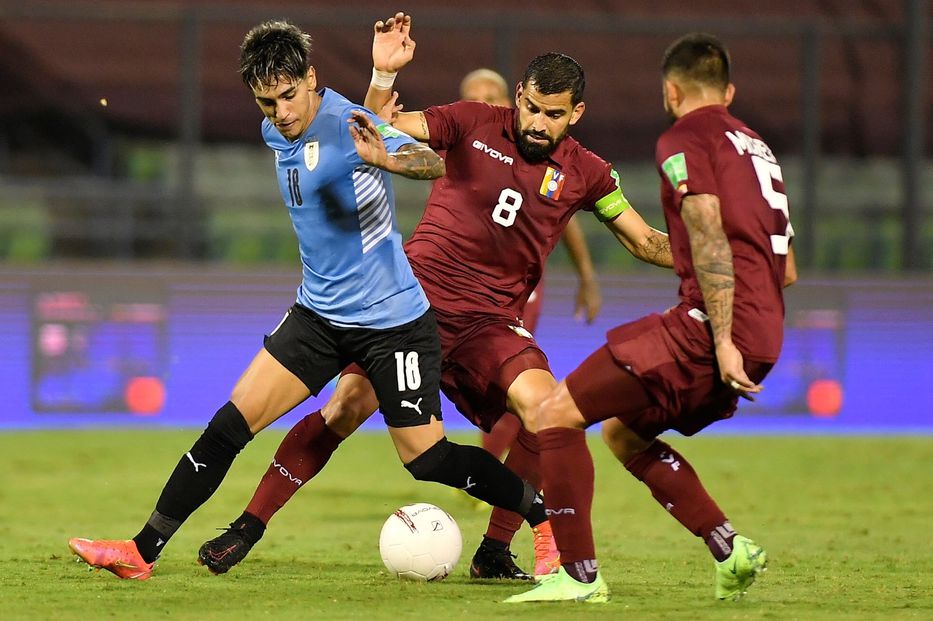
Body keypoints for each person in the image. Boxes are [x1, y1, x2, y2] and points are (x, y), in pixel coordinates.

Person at [67, 19, 556, 580]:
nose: (281, 113)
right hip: (318, 315)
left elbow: (431, 162)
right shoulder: (276, 130)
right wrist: (376, 82)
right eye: (267, 101)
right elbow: (317, 139)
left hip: (394, 323)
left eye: (290, 96)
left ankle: (539, 517)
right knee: (229, 425)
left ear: (313, 79)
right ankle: (141, 550)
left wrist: (391, 159)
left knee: (428, 459)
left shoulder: (349, 123)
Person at [195, 13, 672, 582]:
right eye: (531, 108)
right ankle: (247, 526)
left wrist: (718, 252)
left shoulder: (590, 174)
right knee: (345, 408)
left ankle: (497, 550)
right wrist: (384, 77)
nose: (538, 123)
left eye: (553, 115)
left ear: (577, 114)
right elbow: (382, 127)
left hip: (490, 325)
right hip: (408, 306)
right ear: (519, 96)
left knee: (548, 412)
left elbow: (645, 241)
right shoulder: (469, 120)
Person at [505, 33, 798, 603]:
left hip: (713, 330)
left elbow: (708, 235)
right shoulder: (758, 147)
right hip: (765, 332)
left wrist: (722, 337)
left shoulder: (685, 137)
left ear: (670, 90)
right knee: (623, 433)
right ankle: (729, 548)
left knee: (554, 413)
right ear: (728, 91)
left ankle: (578, 575)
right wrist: (743, 334)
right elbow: (783, 266)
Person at [457, 67, 602, 464]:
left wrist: (586, 277)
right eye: (473, 97)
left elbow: (566, 218)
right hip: (453, 287)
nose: (483, 104)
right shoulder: (465, 138)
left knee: (512, 379)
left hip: (511, 290)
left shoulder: (543, 155)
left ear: (511, 100)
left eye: (491, 96)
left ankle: (488, 470)